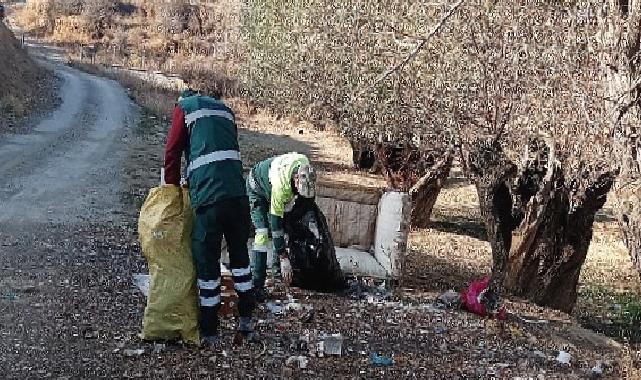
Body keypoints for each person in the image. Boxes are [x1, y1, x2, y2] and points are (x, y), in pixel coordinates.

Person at [164, 88, 256, 346]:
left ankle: (210, 331)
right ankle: (246, 321)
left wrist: (170, 190)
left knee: (207, 263)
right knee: (240, 260)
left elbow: (172, 152)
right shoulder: (225, 111)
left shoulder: (184, 109)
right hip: (238, 195)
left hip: (209, 198)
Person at [246, 152, 317, 301]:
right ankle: (256, 284)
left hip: (271, 184)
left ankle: (277, 275)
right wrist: (284, 257)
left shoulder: (304, 165)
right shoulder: (281, 188)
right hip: (256, 187)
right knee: (263, 233)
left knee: (286, 227)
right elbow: (275, 225)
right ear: (295, 180)